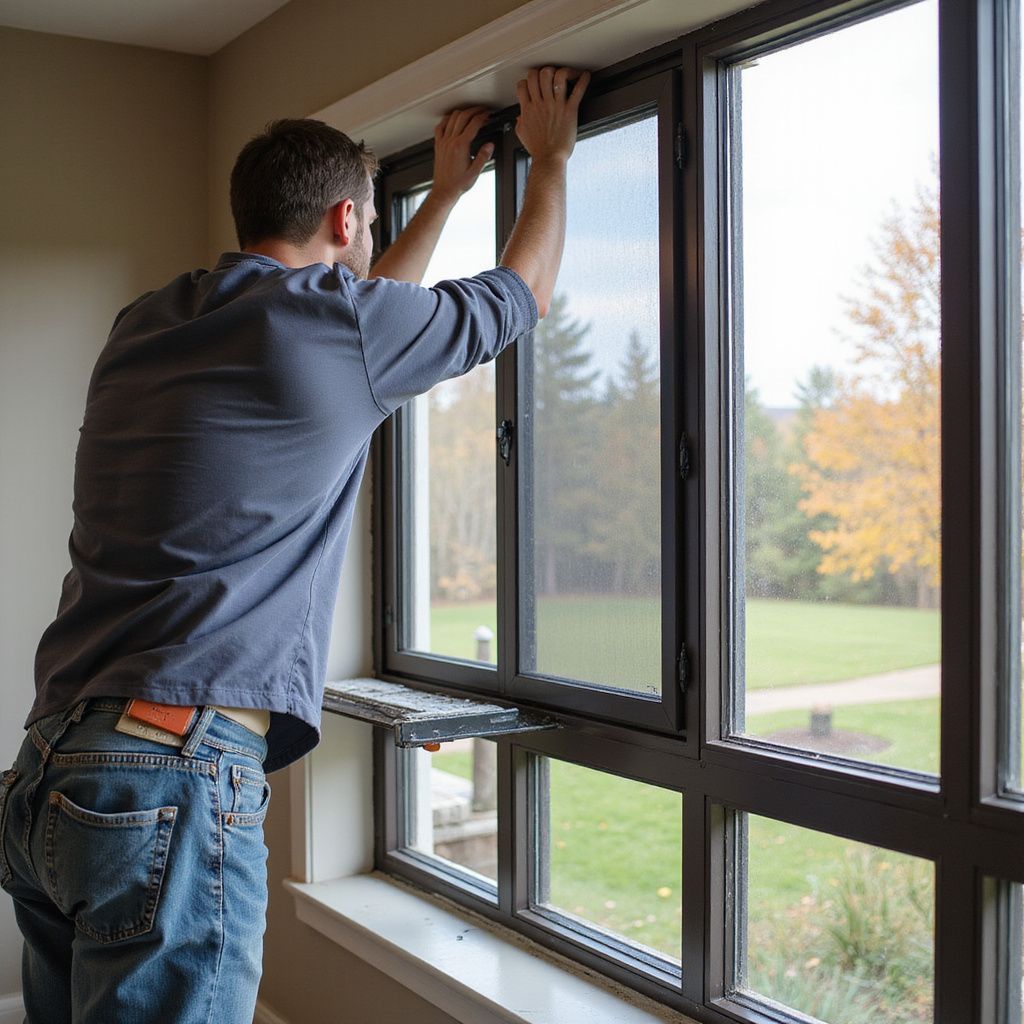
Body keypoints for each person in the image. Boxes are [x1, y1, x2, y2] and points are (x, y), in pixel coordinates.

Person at [0, 65, 589, 1023]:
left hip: (50, 771)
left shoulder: (145, 324)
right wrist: (552, 160)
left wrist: (439, 195)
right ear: (350, 224)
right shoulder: (334, 325)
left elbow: (351, 338)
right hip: (174, 778)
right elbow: (514, 299)